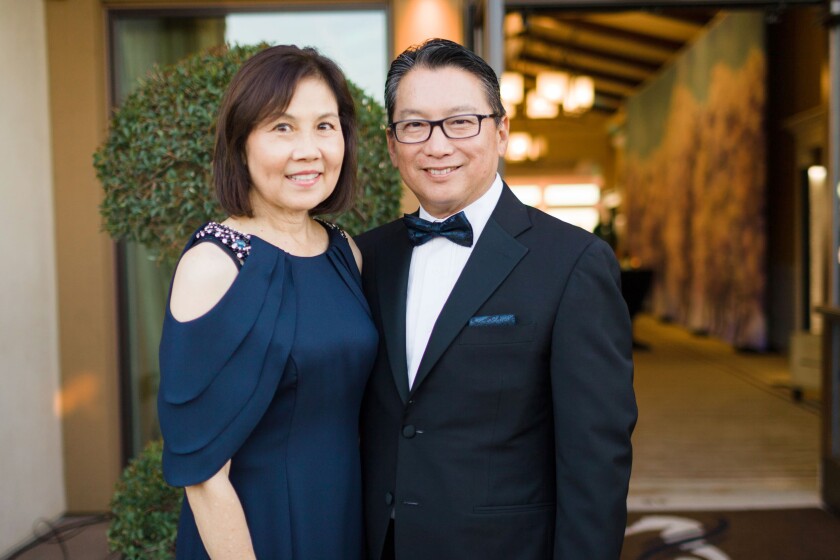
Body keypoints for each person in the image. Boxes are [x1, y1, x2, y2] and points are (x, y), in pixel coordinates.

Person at [357, 39, 638, 560]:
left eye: (461, 122)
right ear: (392, 144)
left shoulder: (573, 262)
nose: (437, 145)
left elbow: (596, 459)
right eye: (414, 126)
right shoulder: (366, 257)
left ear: (501, 131)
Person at [156, 45, 377, 559]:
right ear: (241, 144)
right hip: (251, 533)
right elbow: (204, 476)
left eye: (325, 126)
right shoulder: (215, 265)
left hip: (341, 521)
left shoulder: (345, 252)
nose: (309, 150)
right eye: (282, 127)